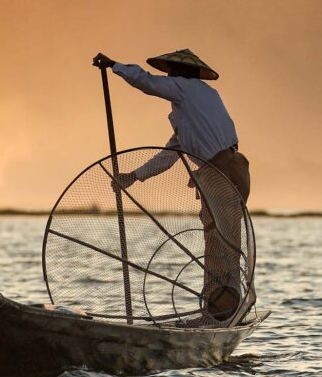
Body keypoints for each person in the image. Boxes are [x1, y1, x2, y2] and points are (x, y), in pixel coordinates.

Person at [92, 49, 251, 324]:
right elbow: (168, 155)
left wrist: (114, 66)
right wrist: (133, 176)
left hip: (223, 170)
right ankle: (215, 311)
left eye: (171, 73)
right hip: (221, 172)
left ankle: (224, 312)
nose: (169, 77)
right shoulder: (190, 110)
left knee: (224, 243)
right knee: (216, 240)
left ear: (179, 74)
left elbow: (146, 82)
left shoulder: (187, 89)